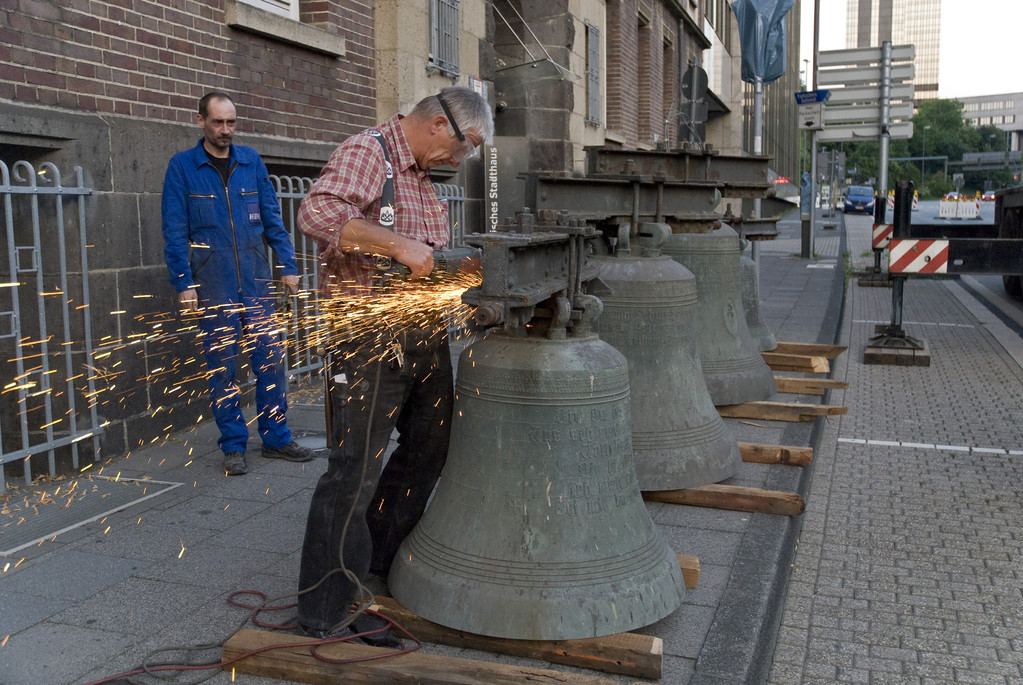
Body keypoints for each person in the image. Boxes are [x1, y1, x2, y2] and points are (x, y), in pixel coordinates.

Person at [295, 86, 494, 644]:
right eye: (465, 146)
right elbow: (317, 212)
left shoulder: (424, 179)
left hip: (422, 335)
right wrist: (396, 245)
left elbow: (427, 260)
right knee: (353, 471)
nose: (463, 160)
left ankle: (376, 563)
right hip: (367, 339)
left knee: (430, 448)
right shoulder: (369, 152)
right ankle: (325, 609)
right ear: (439, 124)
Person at [161, 92, 314, 476]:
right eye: (218, 122)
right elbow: (175, 230)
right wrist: (184, 283)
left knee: (271, 362)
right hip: (213, 285)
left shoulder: (251, 161)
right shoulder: (182, 167)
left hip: (257, 281)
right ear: (200, 121)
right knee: (223, 369)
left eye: (231, 122)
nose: (226, 130)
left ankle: (277, 438)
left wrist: (287, 264)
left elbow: (272, 218)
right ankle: (233, 445)